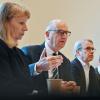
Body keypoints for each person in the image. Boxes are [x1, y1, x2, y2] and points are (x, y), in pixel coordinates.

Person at [21, 19, 77, 95]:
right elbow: (18, 77)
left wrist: (70, 87)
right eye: (60, 32)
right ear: (47, 34)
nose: (64, 36)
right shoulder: (29, 52)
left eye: (66, 33)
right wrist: (36, 67)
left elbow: (67, 89)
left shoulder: (66, 61)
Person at [0, 2, 40, 97]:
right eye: (21, 23)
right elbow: (6, 88)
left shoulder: (20, 53)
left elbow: (28, 84)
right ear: (5, 23)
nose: (26, 28)